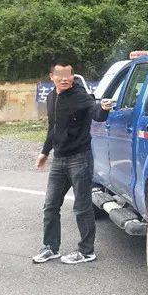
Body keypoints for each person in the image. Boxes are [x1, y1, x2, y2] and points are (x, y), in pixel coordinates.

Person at [33, 59, 114, 265]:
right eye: (60, 75)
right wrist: (44, 152)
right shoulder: (51, 97)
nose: (65, 79)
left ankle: (86, 251)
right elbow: (53, 128)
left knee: (82, 207)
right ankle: (51, 247)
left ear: (73, 76)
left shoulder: (80, 95)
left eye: (68, 75)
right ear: (52, 77)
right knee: (50, 206)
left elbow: (96, 113)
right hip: (59, 160)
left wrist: (104, 108)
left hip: (80, 159)